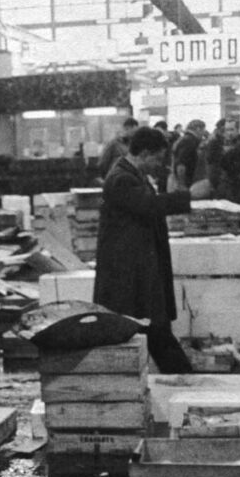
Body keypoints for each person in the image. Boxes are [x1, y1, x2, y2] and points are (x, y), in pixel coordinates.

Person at [94, 125, 199, 373]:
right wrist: (188, 196)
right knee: (152, 329)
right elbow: (148, 204)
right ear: (144, 153)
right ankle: (184, 382)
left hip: (138, 271)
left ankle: (183, 380)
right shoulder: (121, 178)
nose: (159, 165)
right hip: (129, 274)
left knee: (153, 329)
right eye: (158, 158)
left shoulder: (131, 173)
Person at [171, 119, 207, 190]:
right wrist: (182, 184)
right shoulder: (189, 141)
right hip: (188, 183)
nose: (203, 134)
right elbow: (181, 164)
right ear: (198, 129)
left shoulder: (182, 139)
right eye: (203, 130)